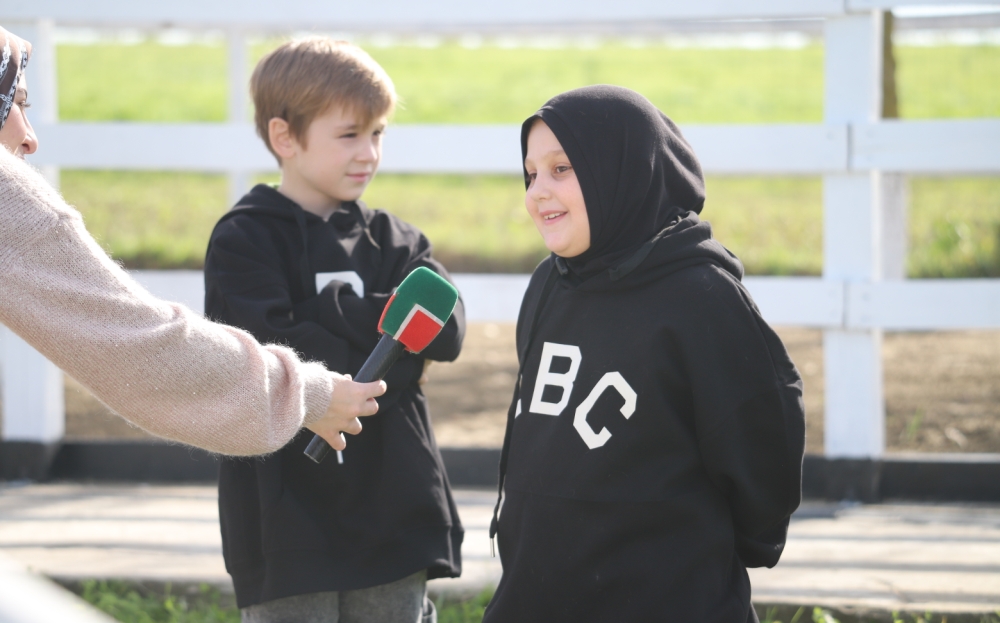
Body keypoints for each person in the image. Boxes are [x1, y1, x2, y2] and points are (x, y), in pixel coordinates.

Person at [483, 85, 806, 622]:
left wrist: (748, 542)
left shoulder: (702, 297)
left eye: (561, 169)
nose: (538, 191)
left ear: (623, 169)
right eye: (531, 174)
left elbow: (761, 434)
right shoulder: (548, 284)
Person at [0, 25, 384, 457]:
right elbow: (143, 351)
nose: (30, 137)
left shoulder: (389, 234)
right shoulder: (244, 237)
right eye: (16, 102)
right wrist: (310, 393)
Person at [204, 37, 465, 623]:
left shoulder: (398, 242)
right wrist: (389, 336)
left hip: (394, 505)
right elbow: (270, 356)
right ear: (285, 137)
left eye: (378, 133)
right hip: (286, 514)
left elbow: (446, 331)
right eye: (349, 134)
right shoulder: (244, 240)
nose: (368, 152)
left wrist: (328, 308)